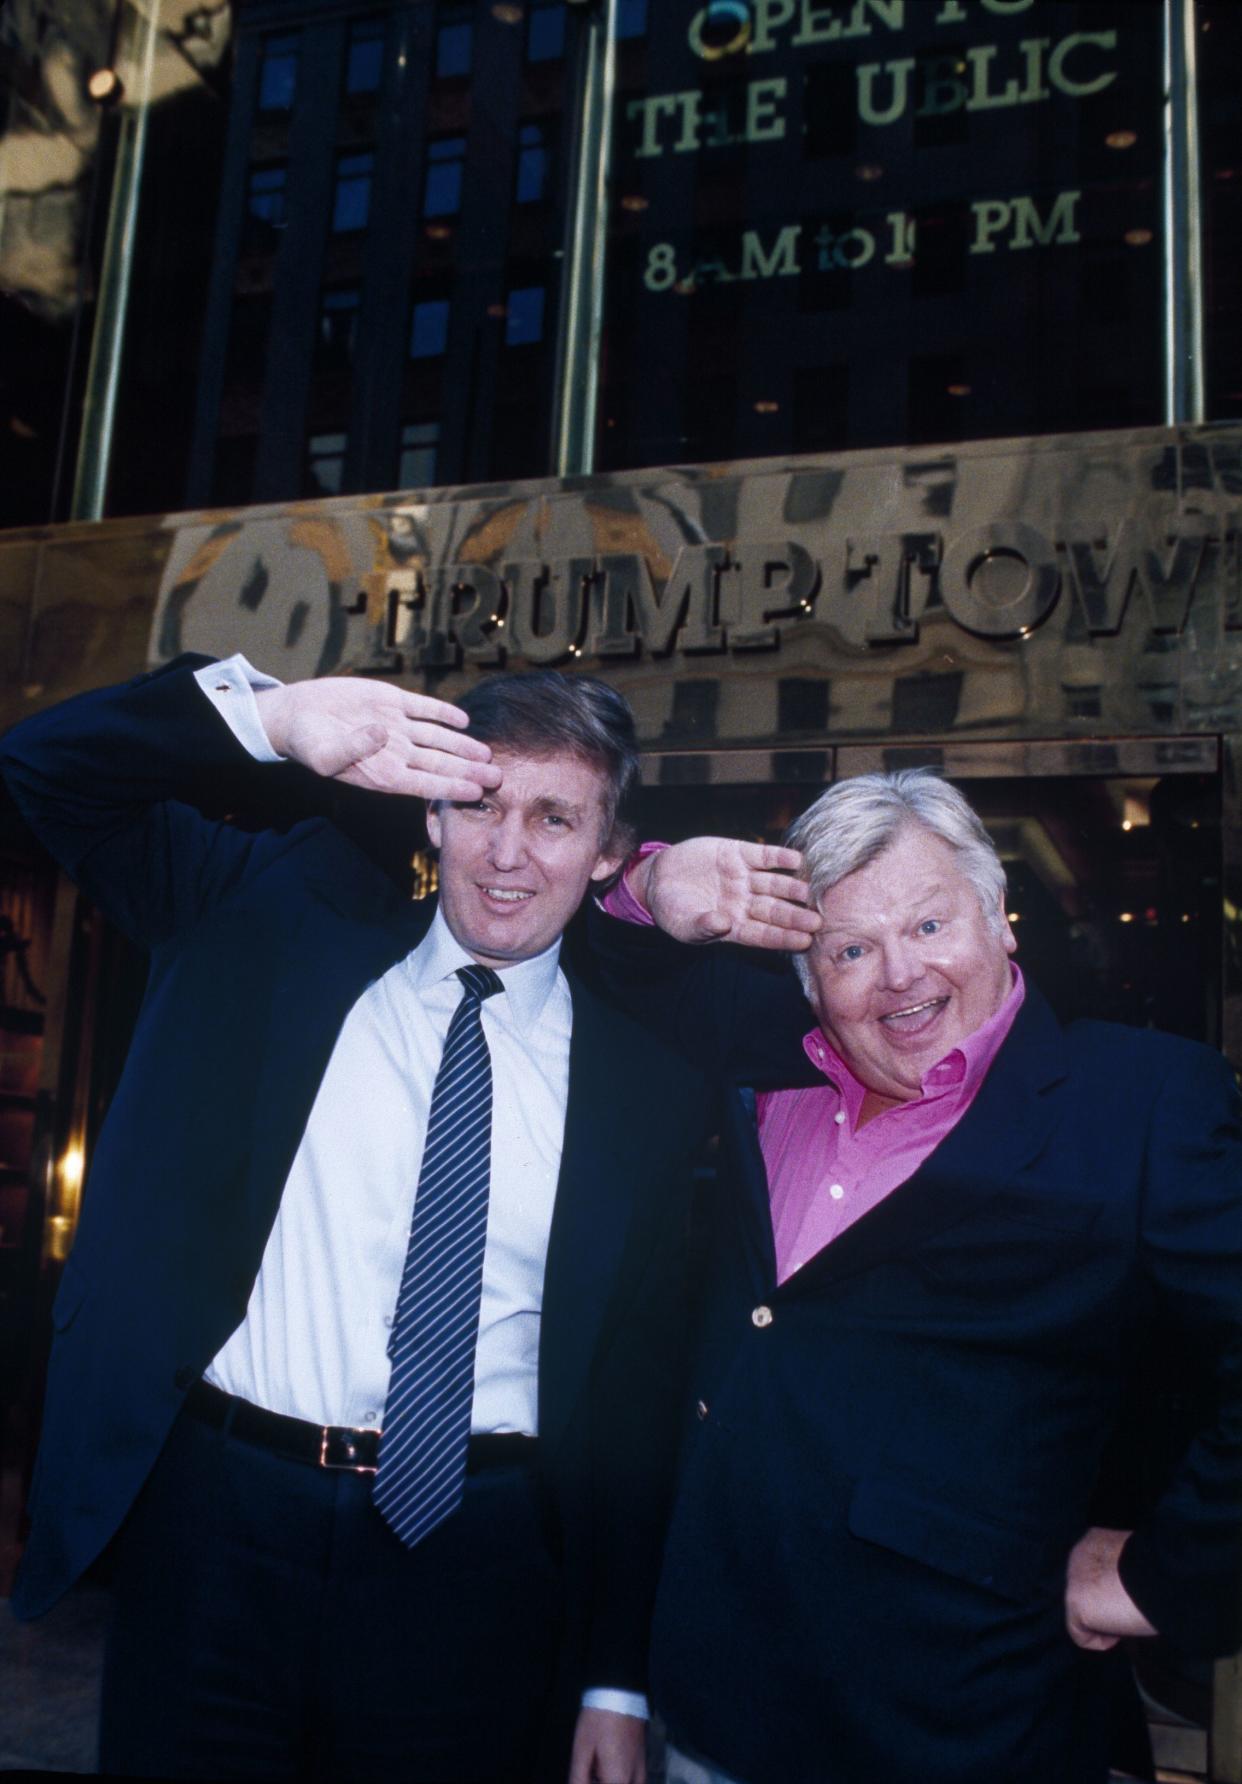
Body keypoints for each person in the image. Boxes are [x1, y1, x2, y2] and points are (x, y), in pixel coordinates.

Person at [1, 654, 711, 1784]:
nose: (508, 850)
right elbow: (43, 768)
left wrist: (613, 1674)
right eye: (478, 801)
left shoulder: (651, 1079)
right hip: (219, 1529)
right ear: (430, 807)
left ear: (613, 851)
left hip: (479, 1566)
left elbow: (635, 1402)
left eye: (554, 816)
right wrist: (273, 719)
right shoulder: (271, 917)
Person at [593, 770, 1242, 1784]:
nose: (899, 975)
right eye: (850, 949)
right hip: (716, 1716)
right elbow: (604, 960)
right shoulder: (769, 1065)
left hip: (965, 1728)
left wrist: (1170, 1574)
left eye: (931, 923)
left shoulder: (1143, 1103)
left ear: (1000, 920)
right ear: (808, 980)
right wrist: (650, 880)